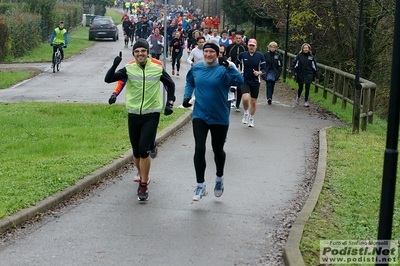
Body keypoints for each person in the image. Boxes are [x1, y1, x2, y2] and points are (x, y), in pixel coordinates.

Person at [104, 39, 176, 202]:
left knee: (143, 150)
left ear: (147, 52)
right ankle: (143, 173)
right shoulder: (129, 69)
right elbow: (108, 79)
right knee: (136, 152)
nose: (140, 54)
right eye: (137, 51)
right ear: (134, 54)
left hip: (151, 114)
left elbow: (170, 85)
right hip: (133, 114)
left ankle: (143, 185)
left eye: (143, 51)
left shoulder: (157, 68)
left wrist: (169, 103)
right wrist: (115, 65)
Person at [183, 41, 244, 201]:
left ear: (217, 54)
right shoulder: (196, 68)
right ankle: (200, 185)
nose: (208, 55)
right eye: (206, 51)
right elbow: (190, 81)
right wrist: (187, 97)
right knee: (199, 148)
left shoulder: (224, 69)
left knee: (217, 150)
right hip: (200, 115)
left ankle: (219, 178)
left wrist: (230, 66)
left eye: (212, 52)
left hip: (219, 117)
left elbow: (239, 82)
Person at [237, 38, 266, 127]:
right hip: (245, 79)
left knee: (253, 102)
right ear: (247, 46)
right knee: (245, 98)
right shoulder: (242, 55)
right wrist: (238, 70)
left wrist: (258, 72)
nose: (251, 47)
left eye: (253, 46)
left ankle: (251, 118)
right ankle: (246, 113)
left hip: (255, 81)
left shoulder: (260, 56)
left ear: (256, 46)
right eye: (250, 45)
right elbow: (236, 64)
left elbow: (264, 69)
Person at [291, 43, 319, 107]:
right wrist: (293, 73)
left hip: (308, 74)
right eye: (304, 48)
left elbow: (314, 67)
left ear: (309, 49)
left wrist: (317, 75)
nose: (305, 49)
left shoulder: (311, 57)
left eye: (307, 48)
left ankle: (306, 101)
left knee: (307, 87)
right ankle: (298, 97)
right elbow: (294, 65)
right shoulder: (299, 56)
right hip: (300, 73)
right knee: (300, 87)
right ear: (302, 49)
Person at [226, 31, 247, 112]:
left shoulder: (244, 47)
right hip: (232, 68)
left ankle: (238, 103)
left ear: (241, 39)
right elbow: (227, 55)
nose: (238, 39)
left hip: (241, 69)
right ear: (234, 38)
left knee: (239, 87)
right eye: (237, 38)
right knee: (232, 86)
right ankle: (232, 100)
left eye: (239, 38)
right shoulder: (230, 47)